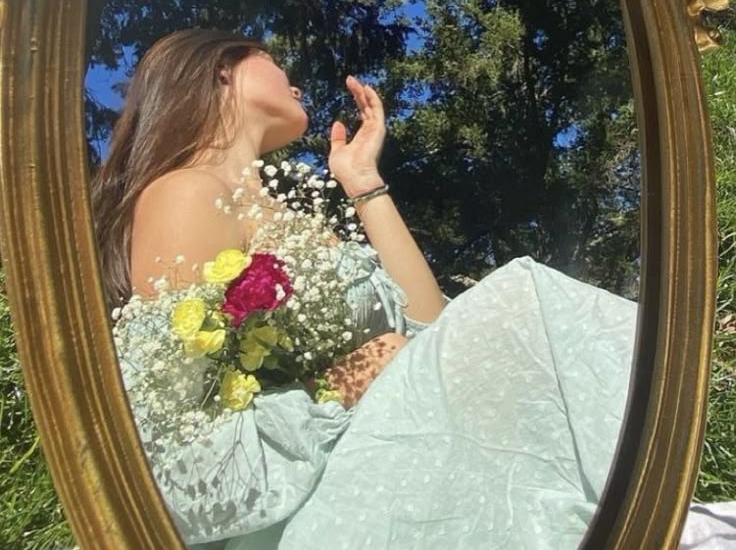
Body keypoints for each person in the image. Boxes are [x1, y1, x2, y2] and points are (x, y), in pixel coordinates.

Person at [97, 28, 639, 549]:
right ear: (222, 70)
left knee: (519, 303)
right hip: (337, 505)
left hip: (405, 464)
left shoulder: (281, 212)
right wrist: (336, 387)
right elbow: (166, 462)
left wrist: (362, 181)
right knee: (525, 296)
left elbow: (428, 330)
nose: (296, 80)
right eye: (271, 58)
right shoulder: (187, 195)